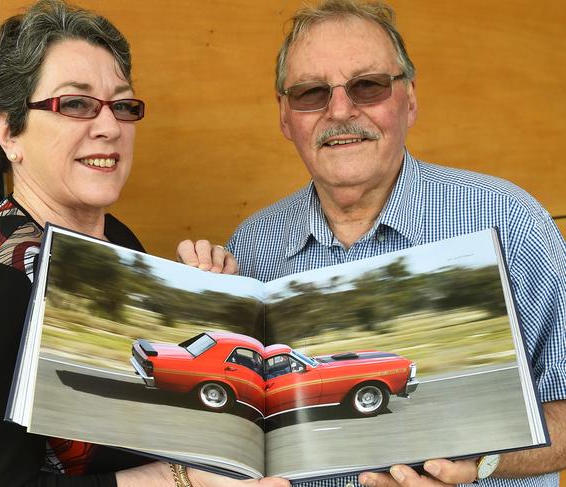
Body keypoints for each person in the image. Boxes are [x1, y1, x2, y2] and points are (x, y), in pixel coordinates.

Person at [177, 1, 566, 487]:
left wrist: (482, 461)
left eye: (368, 85)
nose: (340, 110)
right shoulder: (252, 247)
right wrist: (203, 302)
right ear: (284, 116)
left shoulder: (510, 220)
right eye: (311, 93)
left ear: (409, 99)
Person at [0, 2, 291, 487]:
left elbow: (138, 398)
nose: (109, 126)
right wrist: (178, 478)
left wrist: (205, 309)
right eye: (75, 104)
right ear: (9, 131)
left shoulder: (112, 238)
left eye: (122, 104)